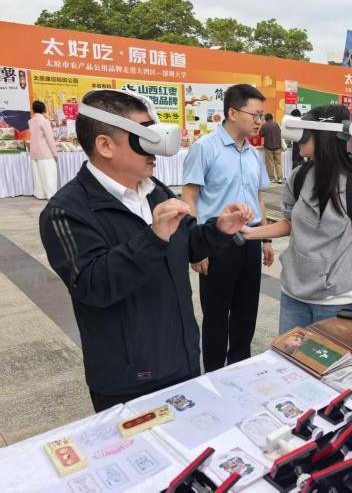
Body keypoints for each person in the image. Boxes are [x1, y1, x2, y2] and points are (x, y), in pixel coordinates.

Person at [39, 89, 252, 412]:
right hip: (127, 379)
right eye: (143, 138)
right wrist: (153, 237)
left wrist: (219, 229)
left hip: (181, 359)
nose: (155, 150)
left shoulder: (156, 191)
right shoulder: (66, 212)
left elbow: (188, 245)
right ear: (105, 145)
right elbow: (93, 285)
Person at [241, 104, 352, 332]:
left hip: (337, 300)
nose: (299, 138)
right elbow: (290, 223)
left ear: (324, 136)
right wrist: (250, 232)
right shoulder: (299, 177)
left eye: (306, 131)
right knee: (290, 353)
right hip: (294, 295)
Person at [181, 84, 274, 371]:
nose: (259, 121)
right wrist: (197, 248)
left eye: (262, 116)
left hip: (250, 239)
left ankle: (239, 368)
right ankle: (214, 372)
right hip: (217, 241)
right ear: (233, 113)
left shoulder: (253, 154)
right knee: (217, 314)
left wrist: (266, 238)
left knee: (246, 312)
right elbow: (189, 197)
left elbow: (259, 197)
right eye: (255, 115)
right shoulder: (205, 148)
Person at [28, 100, 59, 200]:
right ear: (44, 109)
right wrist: (55, 154)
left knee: (38, 176)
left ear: (33, 109)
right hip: (45, 152)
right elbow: (50, 139)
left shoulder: (31, 121)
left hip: (34, 151)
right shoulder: (44, 121)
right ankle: (50, 195)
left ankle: (40, 194)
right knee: (49, 175)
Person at [260, 113, 283, 184]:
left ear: (266, 119)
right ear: (272, 118)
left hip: (268, 147)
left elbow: (261, 134)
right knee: (278, 163)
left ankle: (272, 178)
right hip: (278, 146)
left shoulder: (264, 125)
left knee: (270, 163)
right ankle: (280, 178)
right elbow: (280, 133)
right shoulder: (276, 124)